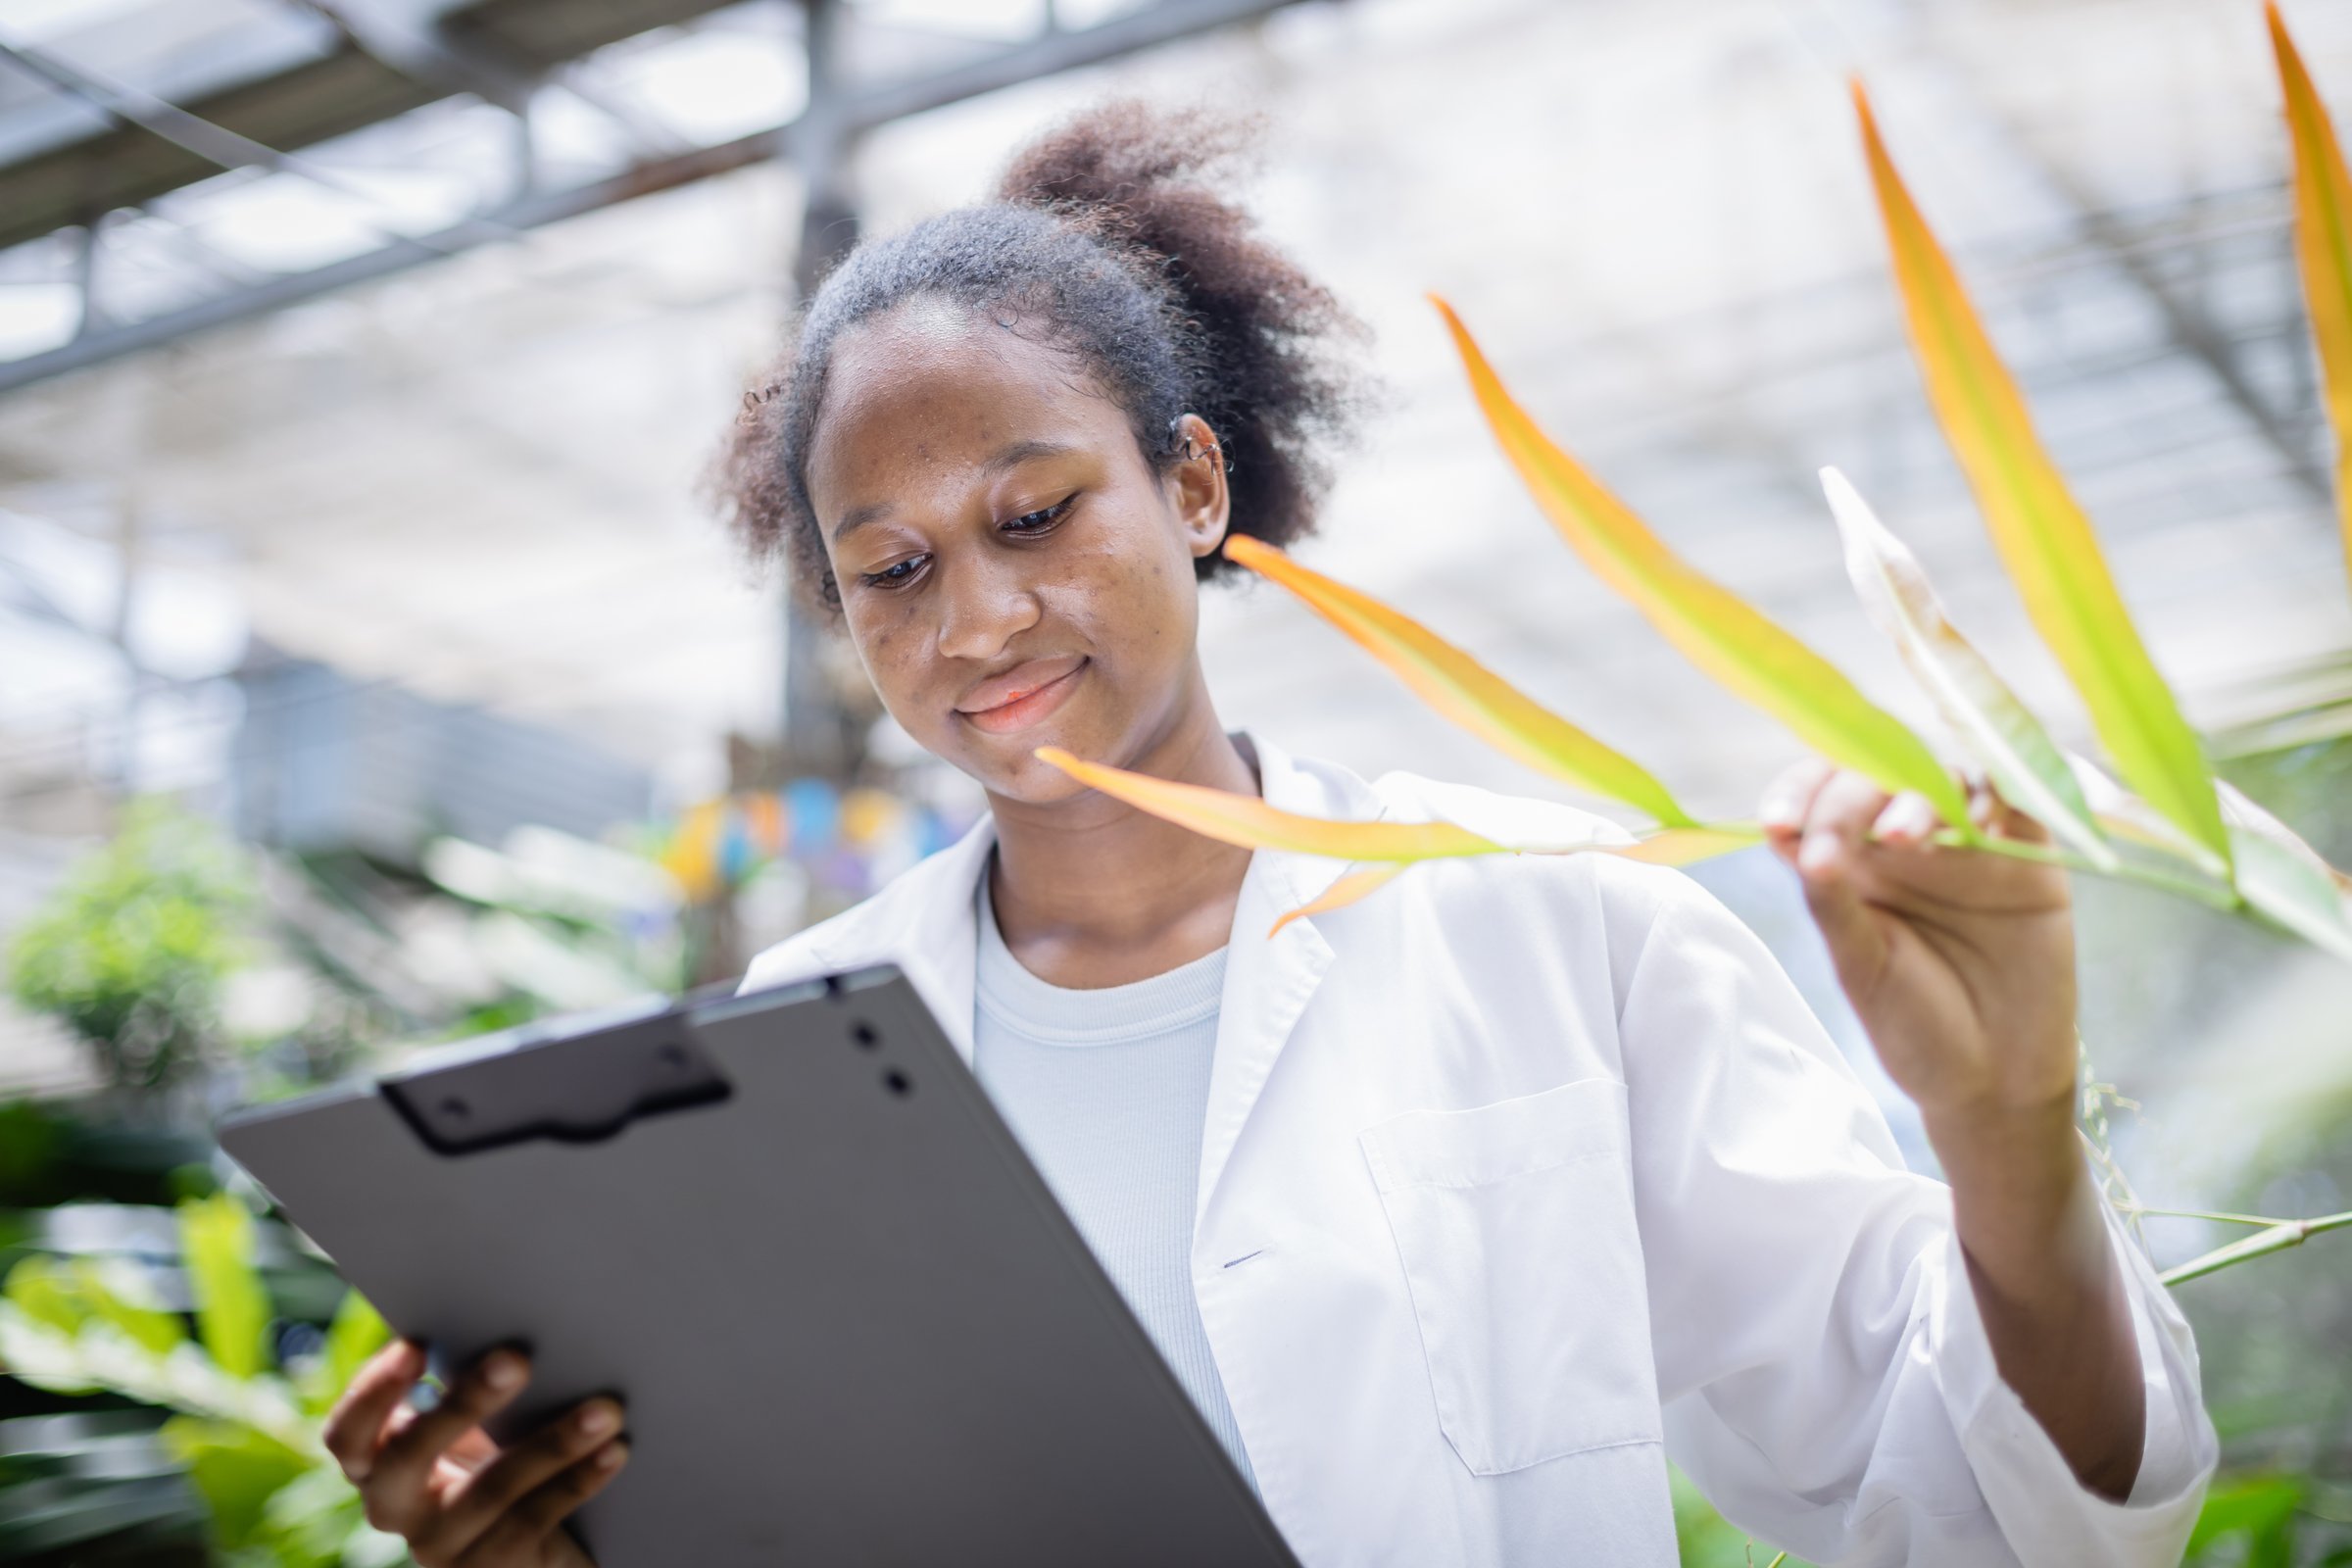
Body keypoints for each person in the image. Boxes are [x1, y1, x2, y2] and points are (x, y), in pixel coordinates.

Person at [321, 101, 2217, 1567]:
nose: (974, 621)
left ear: (1195, 480)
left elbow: (1975, 1506)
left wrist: (2006, 1136)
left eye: (1039, 513)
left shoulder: (1550, 919)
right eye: (890, 568)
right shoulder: (797, 1030)